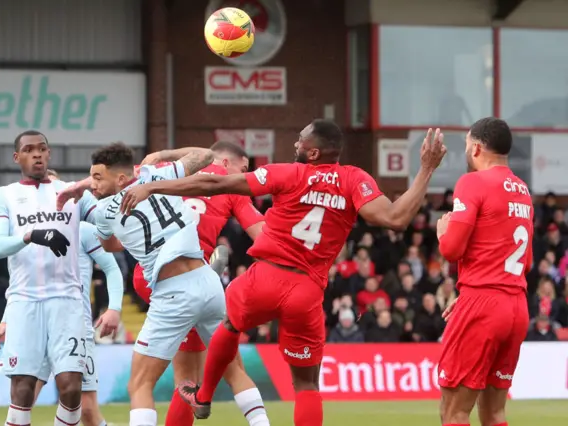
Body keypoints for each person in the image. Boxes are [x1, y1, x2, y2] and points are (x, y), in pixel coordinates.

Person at [119, 119, 446, 425]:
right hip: (307, 290)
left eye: (301, 140)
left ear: (313, 152)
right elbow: (396, 218)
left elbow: (214, 181)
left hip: (264, 277)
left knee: (228, 325)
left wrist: (154, 186)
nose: (295, 143)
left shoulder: (289, 174)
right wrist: (426, 170)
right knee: (306, 384)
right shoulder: (354, 179)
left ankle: (203, 397)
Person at [60, 142, 226, 426]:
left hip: (168, 288)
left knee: (140, 383)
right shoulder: (160, 174)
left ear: (122, 178)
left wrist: (95, 211)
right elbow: (206, 155)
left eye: (97, 178)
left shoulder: (103, 211)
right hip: (207, 279)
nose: (93, 185)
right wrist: (162, 155)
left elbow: (109, 245)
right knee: (233, 372)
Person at [133, 141, 270, 426]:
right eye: (243, 169)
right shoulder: (231, 187)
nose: (244, 176)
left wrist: (161, 154)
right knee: (222, 370)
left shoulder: (167, 170)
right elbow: (263, 236)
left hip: (150, 273)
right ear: (226, 163)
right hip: (188, 280)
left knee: (182, 379)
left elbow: (128, 177)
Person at [0, 130, 113, 426]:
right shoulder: (3, 194)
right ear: (17, 157)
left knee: (71, 389)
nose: (37, 154)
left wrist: (106, 194)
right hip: (24, 302)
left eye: (42, 148)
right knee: (23, 390)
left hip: (67, 302)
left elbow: (106, 220)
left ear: (50, 153)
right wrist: (32, 235)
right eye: (29, 150)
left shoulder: (71, 192)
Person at [436, 117, 532, 426]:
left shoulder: (473, 182)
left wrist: (442, 232)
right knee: (494, 413)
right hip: (516, 304)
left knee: (454, 412)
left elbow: (451, 249)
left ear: (477, 148)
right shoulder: (522, 189)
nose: (465, 151)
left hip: (483, 305)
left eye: (466, 145)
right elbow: (525, 261)